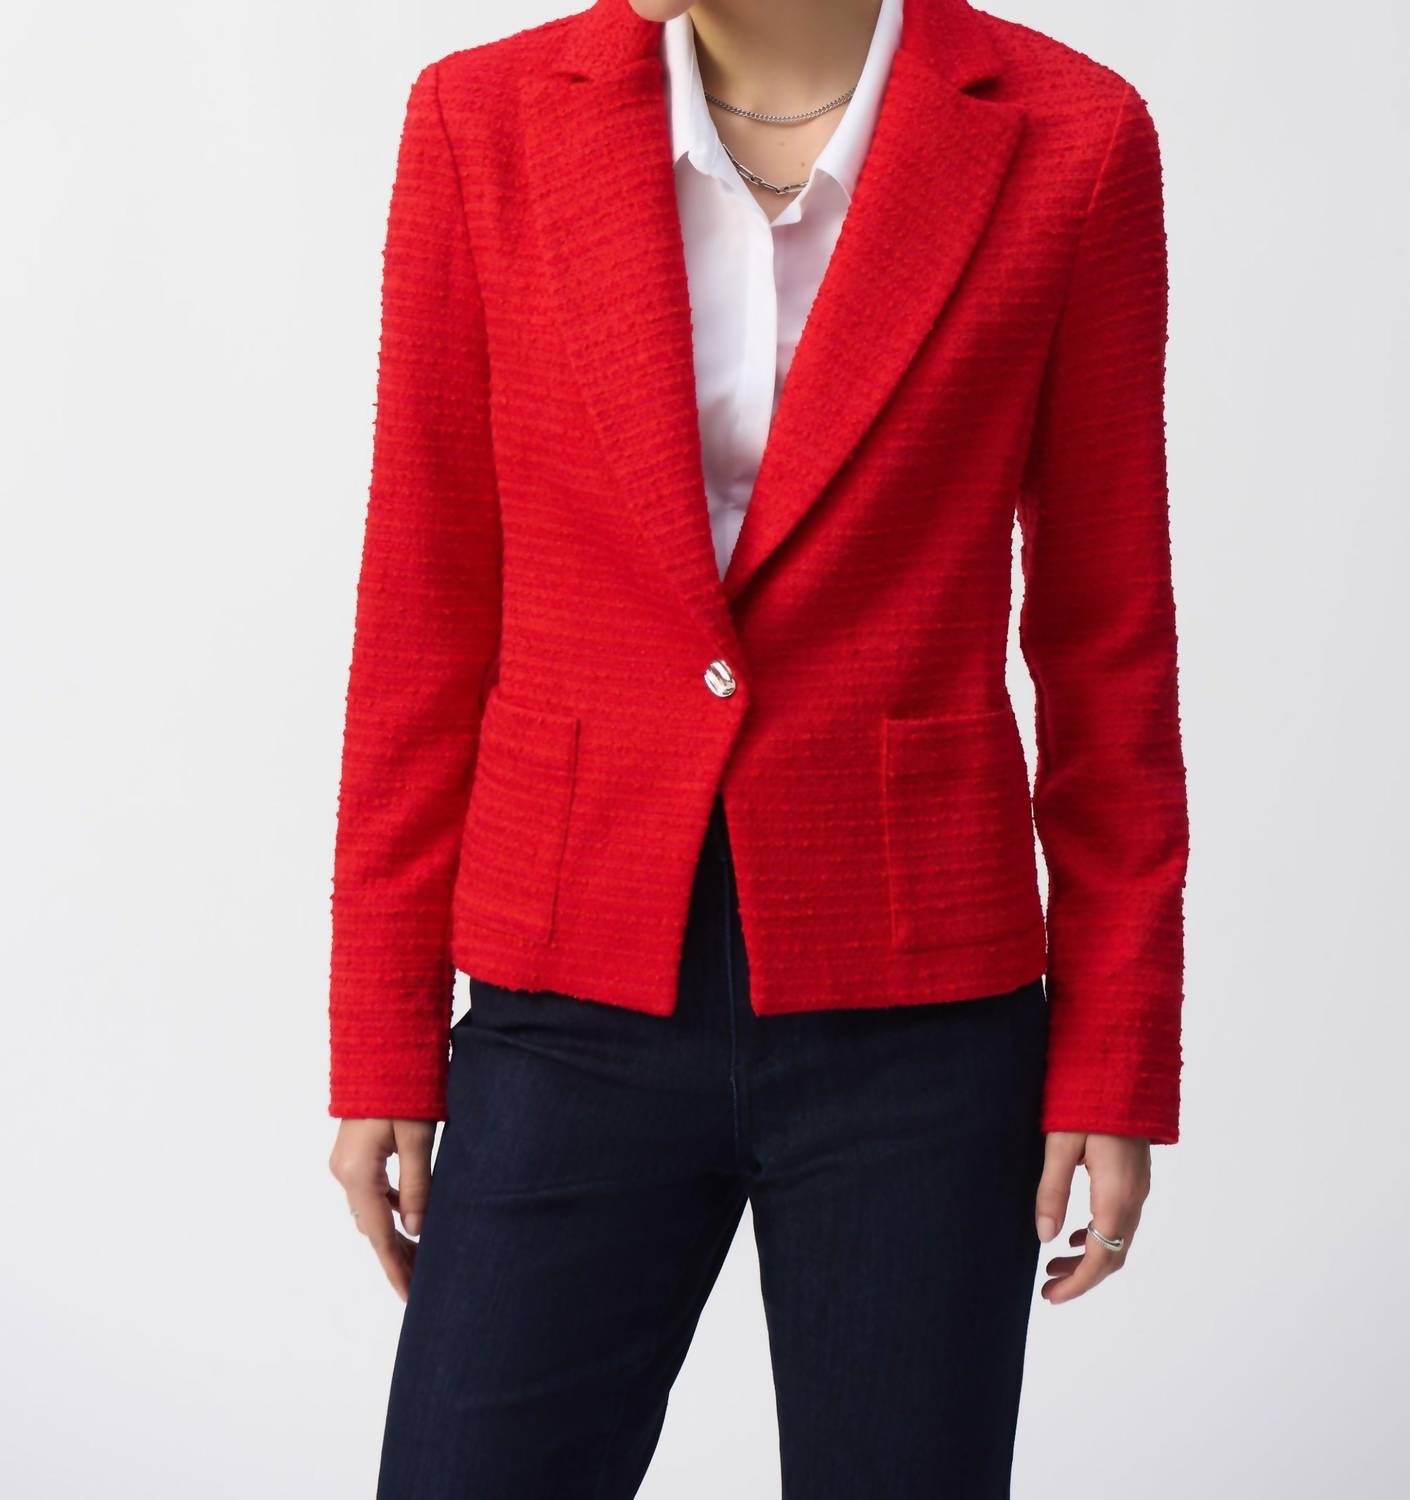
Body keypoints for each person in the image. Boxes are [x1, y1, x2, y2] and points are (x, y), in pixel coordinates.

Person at [326, 0, 1189, 1493]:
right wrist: (381, 1026)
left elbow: (1105, 632)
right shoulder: (484, 120)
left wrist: (1113, 1051)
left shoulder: (1071, 137)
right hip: (567, 978)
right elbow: (425, 597)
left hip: (921, 1013)